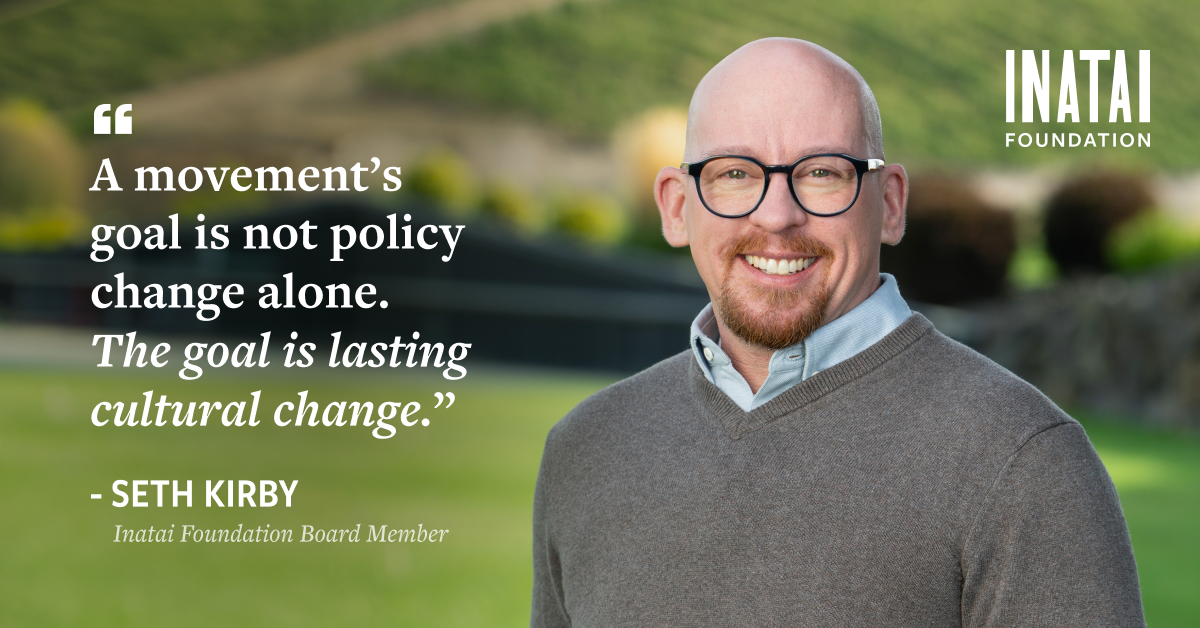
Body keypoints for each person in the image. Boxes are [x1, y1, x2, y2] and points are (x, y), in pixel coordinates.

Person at [530, 38, 1144, 627]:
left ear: (891, 203)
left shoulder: (1025, 462)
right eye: (734, 174)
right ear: (675, 206)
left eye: (823, 172)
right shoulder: (585, 448)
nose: (776, 215)